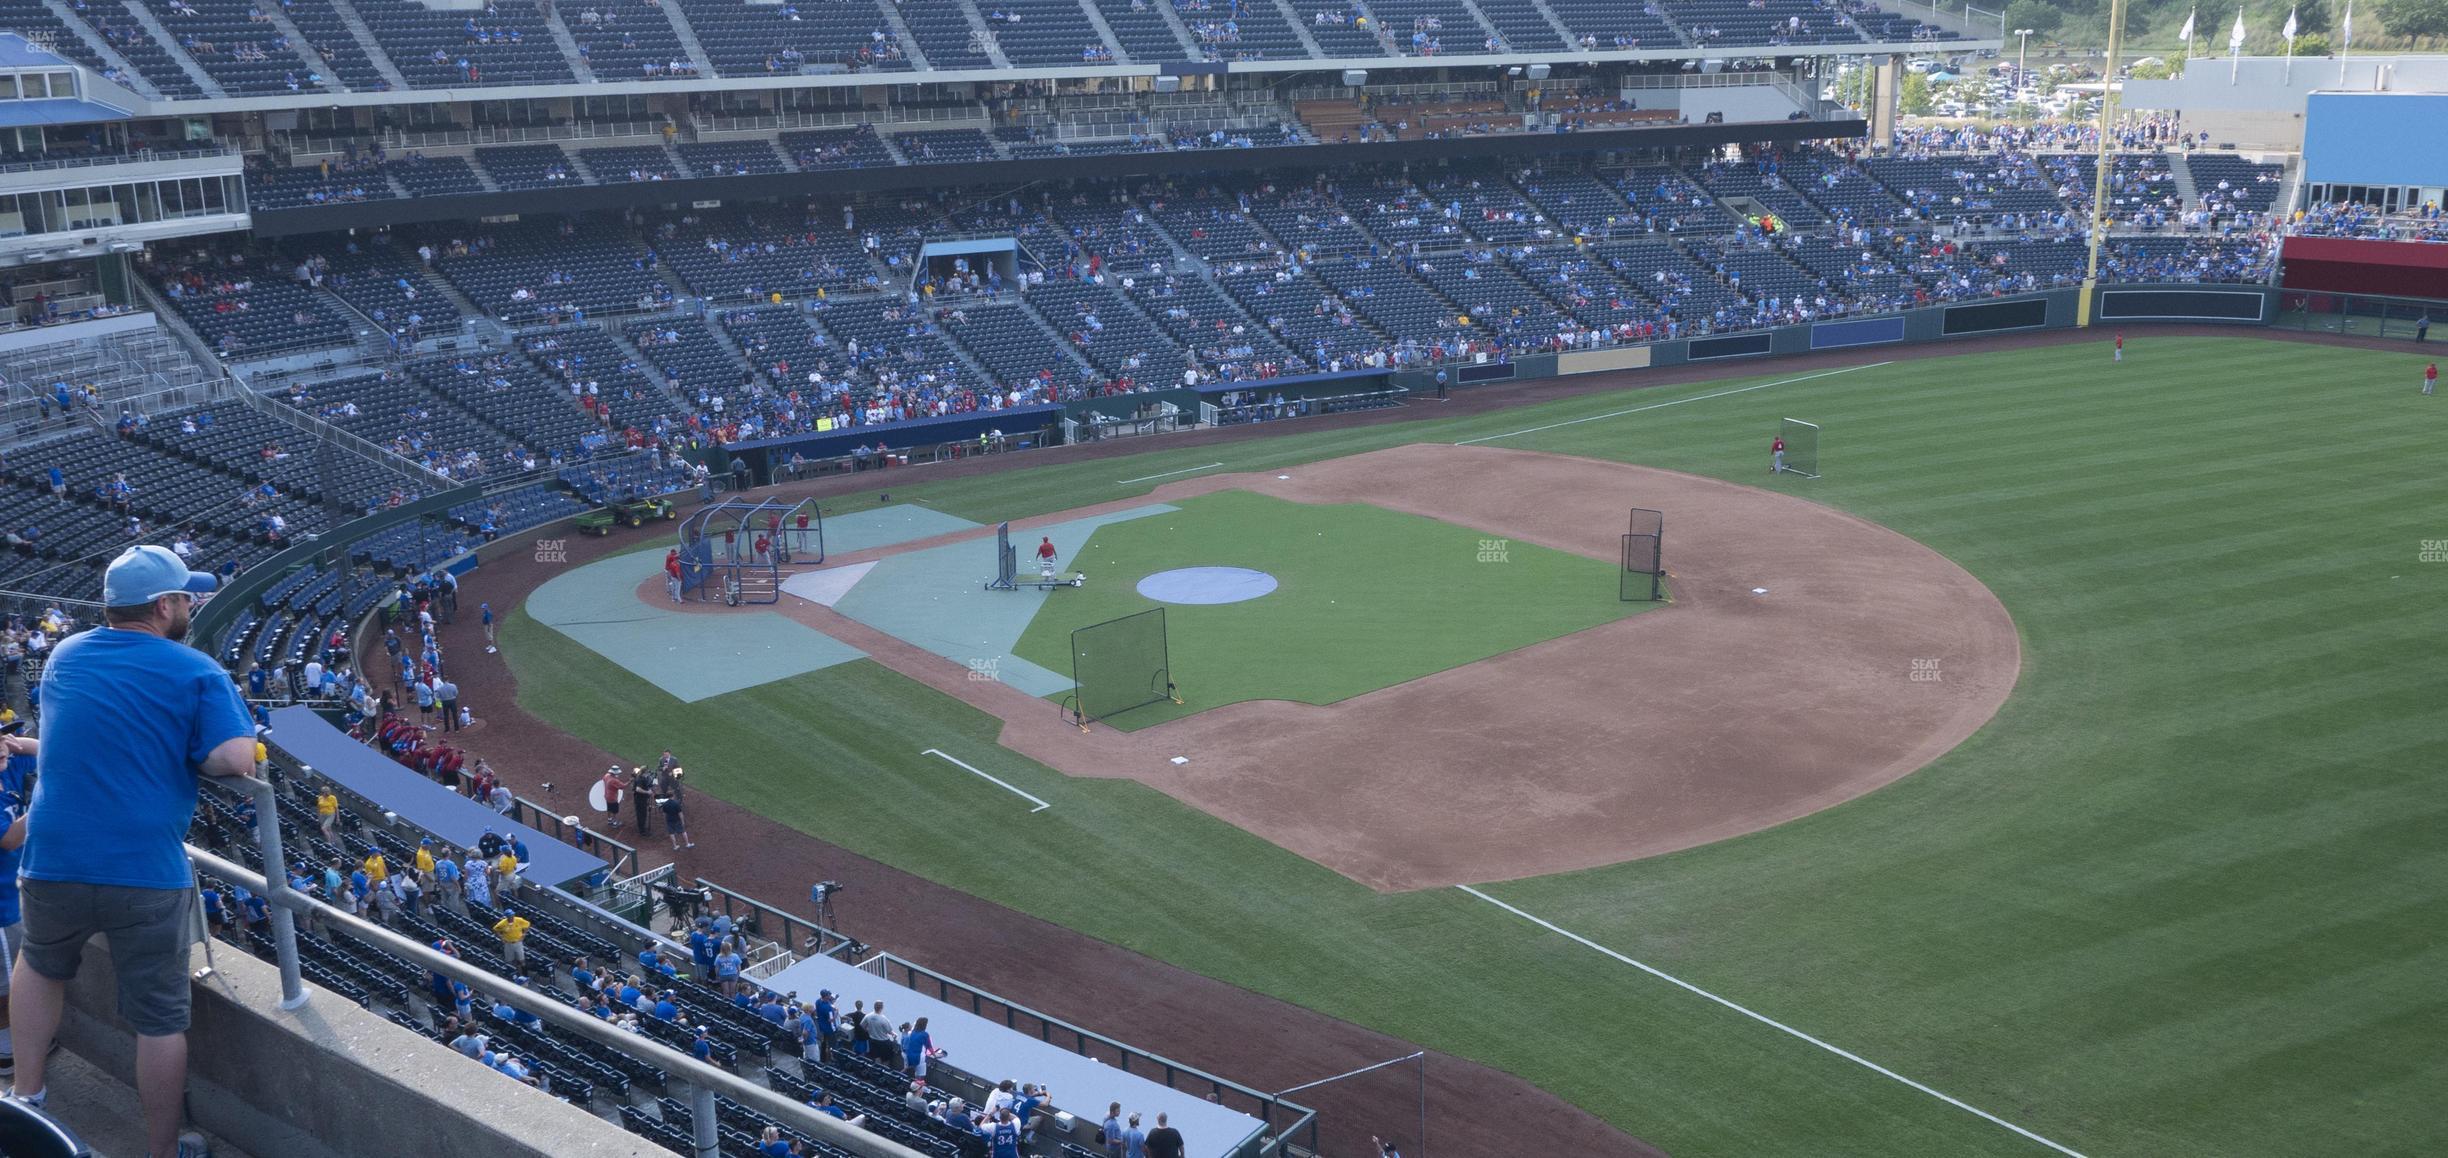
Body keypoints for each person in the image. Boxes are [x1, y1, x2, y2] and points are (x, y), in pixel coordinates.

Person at [11, 545, 249, 1158]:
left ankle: (27, 1097)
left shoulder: (64, 653)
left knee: (39, 963)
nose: (192, 605)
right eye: (186, 597)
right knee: (159, 1020)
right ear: (165, 605)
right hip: (143, 870)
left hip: (53, 853)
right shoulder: (196, 670)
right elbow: (232, 760)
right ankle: (162, 1152)